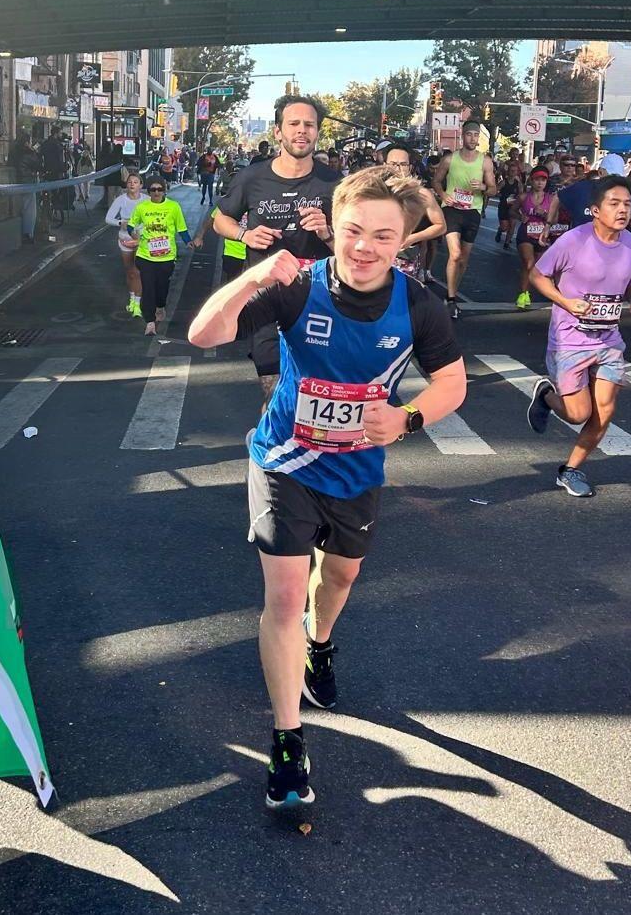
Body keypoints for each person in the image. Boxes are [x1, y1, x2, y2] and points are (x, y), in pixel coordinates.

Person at [188, 166, 467, 809]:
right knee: (284, 596)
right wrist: (254, 276)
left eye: (382, 235)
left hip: (357, 470)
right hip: (284, 459)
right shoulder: (297, 286)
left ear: (404, 241)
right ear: (334, 229)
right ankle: (287, 744)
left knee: (338, 579)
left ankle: (322, 644)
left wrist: (408, 417)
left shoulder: (418, 302)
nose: (365, 247)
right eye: (353, 232)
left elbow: (452, 382)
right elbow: (204, 334)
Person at [525, 176, 631, 498]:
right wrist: (565, 301)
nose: (622, 210)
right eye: (614, 203)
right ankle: (547, 396)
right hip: (570, 339)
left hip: (608, 339)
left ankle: (571, 469)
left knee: (605, 410)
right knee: (579, 414)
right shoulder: (573, 241)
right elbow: (537, 275)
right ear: (594, 210)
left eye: (627, 204)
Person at [214, 96, 340, 402]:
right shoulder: (253, 178)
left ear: (317, 132)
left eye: (309, 125)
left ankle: (303, 446)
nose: (302, 131)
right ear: (278, 132)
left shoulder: (334, 183)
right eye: (294, 124)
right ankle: (271, 445)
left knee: (312, 394)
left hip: (317, 298)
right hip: (266, 295)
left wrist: (326, 232)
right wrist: (244, 235)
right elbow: (220, 219)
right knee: (274, 392)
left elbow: (350, 245)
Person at [431, 119, 496, 319]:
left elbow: (493, 189)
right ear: (463, 135)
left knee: (464, 259)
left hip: (472, 212)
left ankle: (452, 291)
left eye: (476, 135)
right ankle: (451, 299)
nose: (473, 138)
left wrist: (483, 188)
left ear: (479, 139)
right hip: (451, 210)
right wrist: (443, 195)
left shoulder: (485, 161)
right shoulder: (450, 159)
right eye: (469, 134)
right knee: (456, 254)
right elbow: (436, 181)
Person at [128, 175, 188, 335]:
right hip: (145, 255)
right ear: (149, 191)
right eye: (153, 189)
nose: (156, 192)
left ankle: (160, 306)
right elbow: (131, 225)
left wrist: (188, 241)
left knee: (161, 287)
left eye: (159, 189)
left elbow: (181, 228)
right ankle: (149, 322)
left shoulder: (173, 207)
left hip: (166, 257)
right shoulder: (142, 207)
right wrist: (133, 234)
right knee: (148, 288)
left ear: (164, 190)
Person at [381, 145, 446, 282]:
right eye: (393, 164)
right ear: (384, 165)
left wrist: (412, 238)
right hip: (375, 257)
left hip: (405, 259)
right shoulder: (371, 190)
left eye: (403, 164)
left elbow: (441, 226)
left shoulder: (421, 194)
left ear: (410, 167)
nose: (398, 168)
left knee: (402, 298)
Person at [513, 166, 559, 310]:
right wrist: (521, 216)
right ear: (531, 181)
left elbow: (555, 219)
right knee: (528, 262)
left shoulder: (551, 199)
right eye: (537, 180)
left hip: (542, 236)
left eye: (543, 180)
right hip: (525, 234)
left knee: (537, 267)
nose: (540, 183)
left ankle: (529, 292)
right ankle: (522, 294)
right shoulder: (523, 197)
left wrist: (544, 214)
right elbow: (512, 210)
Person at [105, 171, 145, 316]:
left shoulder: (146, 200)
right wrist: (121, 222)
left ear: (141, 185)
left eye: (135, 182)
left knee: (137, 271)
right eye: (129, 182)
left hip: (142, 239)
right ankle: (132, 298)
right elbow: (108, 218)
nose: (132, 184)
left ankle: (137, 304)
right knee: (130, 272)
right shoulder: (120, 200)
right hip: (125, 239)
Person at [7, 131, 41, 244]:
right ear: (27, 142)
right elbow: (38, 166)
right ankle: (28, 233)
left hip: (14, 183)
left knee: (17, 208)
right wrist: (34, 151)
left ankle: (17, 233)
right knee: (30, 209)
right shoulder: (29, 153)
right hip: (27, 183)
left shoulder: (13, 152)